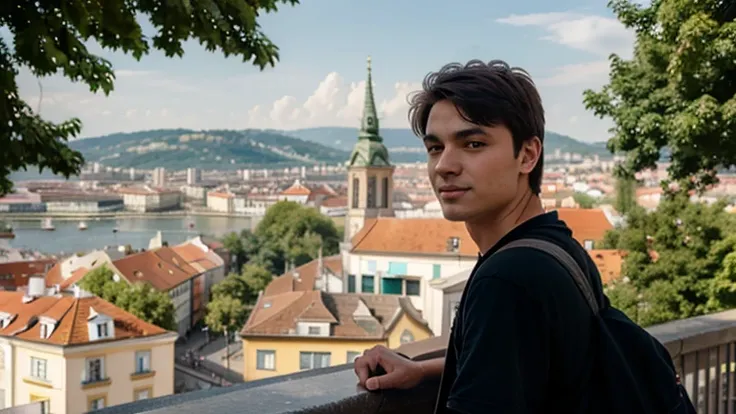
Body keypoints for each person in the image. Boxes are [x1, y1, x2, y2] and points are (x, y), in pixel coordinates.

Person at [354, 60, 605, 413]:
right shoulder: (559, 247)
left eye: (472, 144)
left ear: (528, 155)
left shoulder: (506, 279)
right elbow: (531, 363)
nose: (444, 165)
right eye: (435, 148)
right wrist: (426, 371)